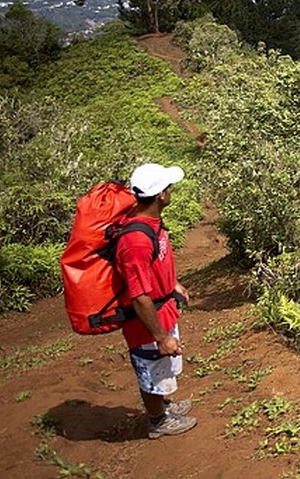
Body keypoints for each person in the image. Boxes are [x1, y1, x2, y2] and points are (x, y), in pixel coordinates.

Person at [117, 162, 197, 439]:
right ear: (161, 194)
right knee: (151, 367)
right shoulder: (136, 240)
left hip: (163, 308)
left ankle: (163, 407)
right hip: (147, 320)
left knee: (163, 367)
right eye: (169, 187)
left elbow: (155, 263)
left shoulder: (151, 222)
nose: (171, 190)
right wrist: (160, 336)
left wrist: (173, 283)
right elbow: (139, 295)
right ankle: (157, 421)